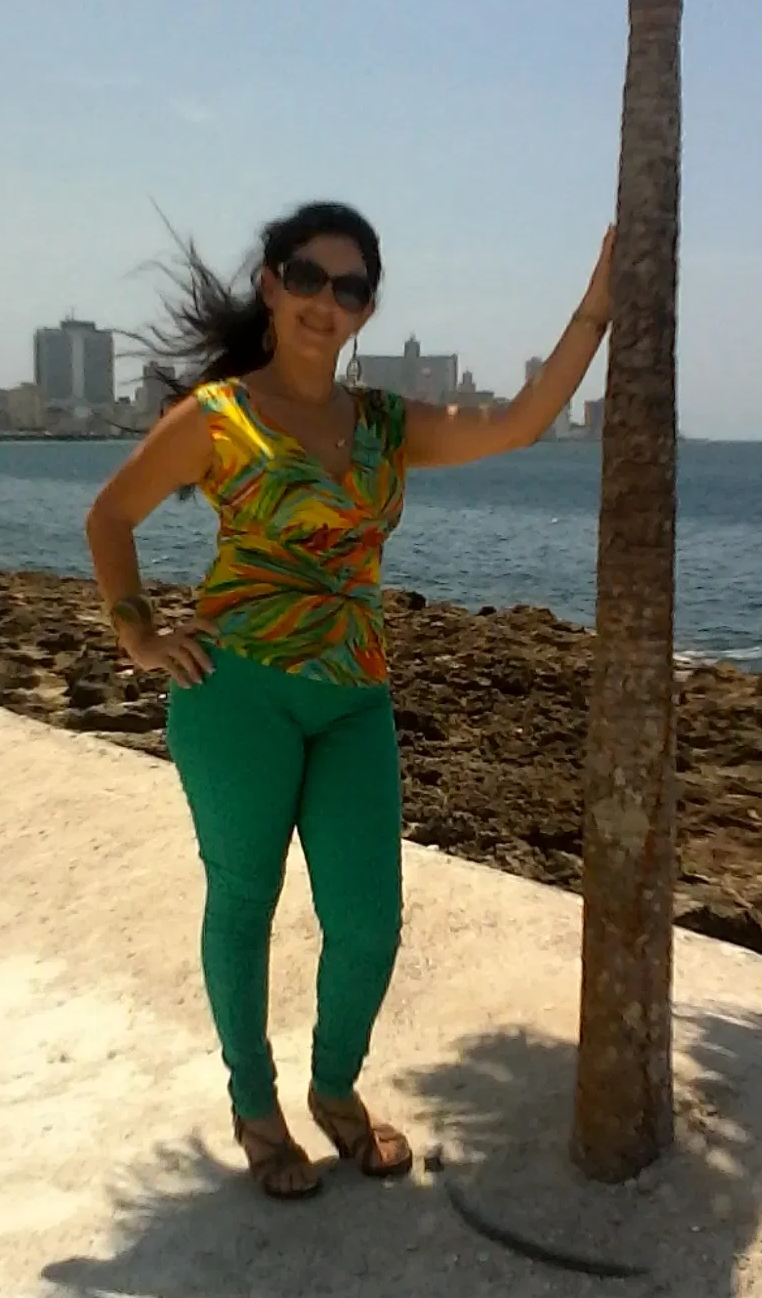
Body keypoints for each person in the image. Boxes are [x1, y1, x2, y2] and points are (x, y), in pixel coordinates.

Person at [85, 201, 613, 1200]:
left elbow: (521, 422)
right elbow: (110, 515)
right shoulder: (217, 417)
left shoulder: (383, 425)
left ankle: (334, 1087)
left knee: (368, 921)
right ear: (271, 286)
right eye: (308, 278)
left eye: (352, 287)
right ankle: (255, 1105)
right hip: (235, 696)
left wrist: (596, 308)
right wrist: (138, 632)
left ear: (368, 309)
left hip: (354, 699)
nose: (327, 301)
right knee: (245, 899)